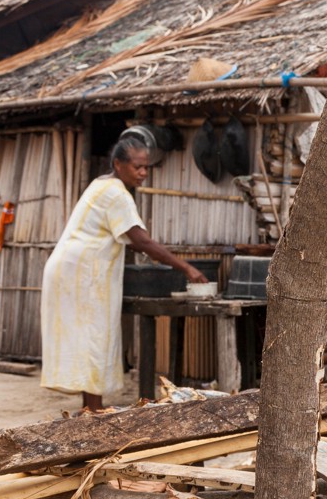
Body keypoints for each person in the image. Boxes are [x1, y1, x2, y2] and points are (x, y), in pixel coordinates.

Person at [41, 135, 207, 410]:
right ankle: (92, 412)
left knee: (88, 341)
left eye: (146, 167)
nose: (143, 173)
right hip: (80, 275)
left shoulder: (102, 185)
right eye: (137, 167)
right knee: (92, 340)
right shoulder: (116, 192)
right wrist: (188, 268)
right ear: (118, 164)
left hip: (73, 272)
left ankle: (90, 410)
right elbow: (142, 241)